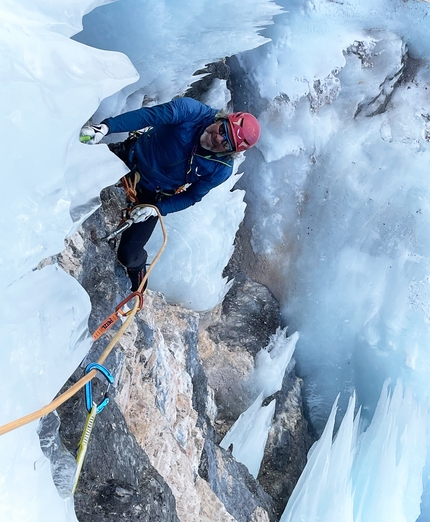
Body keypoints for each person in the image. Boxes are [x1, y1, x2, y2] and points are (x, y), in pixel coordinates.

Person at [80, 97, 260, 291]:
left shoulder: (220, 169)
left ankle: (138, 279)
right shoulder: (191, 111)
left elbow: (192, 196)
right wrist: (106, 128)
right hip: (131, 156)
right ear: (222, 118)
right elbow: (148, 116)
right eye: (223, 130)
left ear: (231, 152)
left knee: (129, 254)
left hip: (154, 193)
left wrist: (156, 209)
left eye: (227, 143)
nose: (218, 139)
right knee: (81, 172)